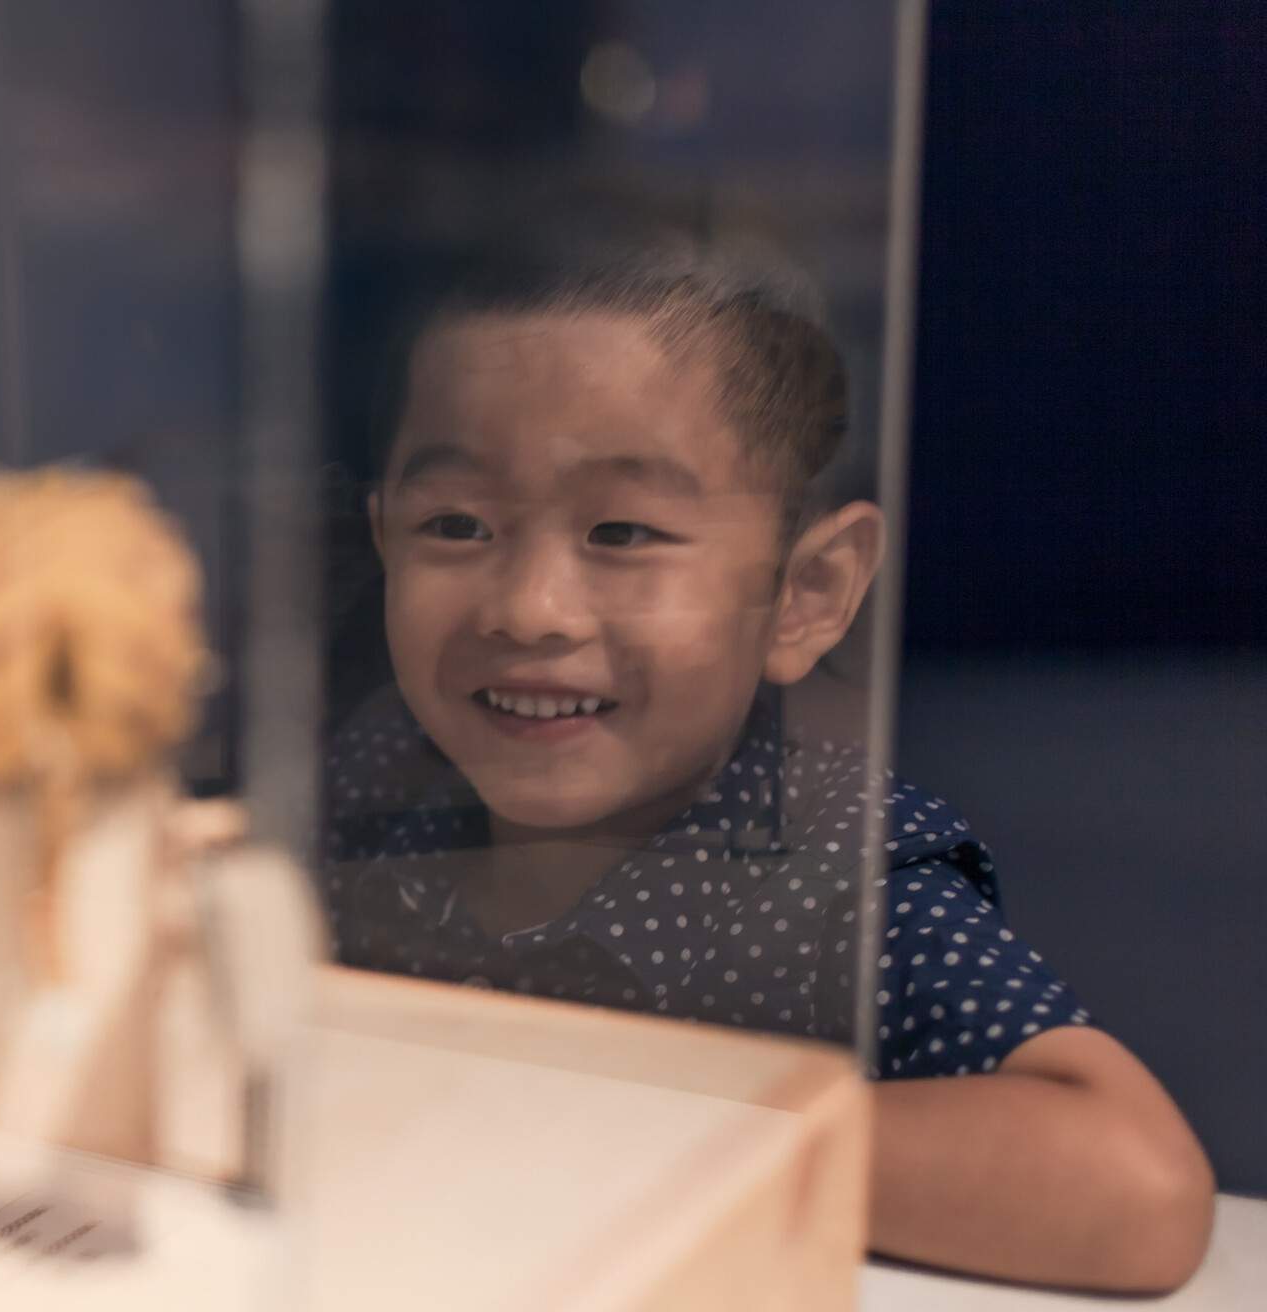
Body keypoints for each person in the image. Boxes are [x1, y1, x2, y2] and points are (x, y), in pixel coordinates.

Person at [318, 244, 1214, 1292]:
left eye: (622, 532)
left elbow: (1135, 1186)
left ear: (808, 594)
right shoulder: (378, 784)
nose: (528, 608)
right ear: (384, 537)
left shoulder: (828, 870)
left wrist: (597, 1119)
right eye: (457, 524)